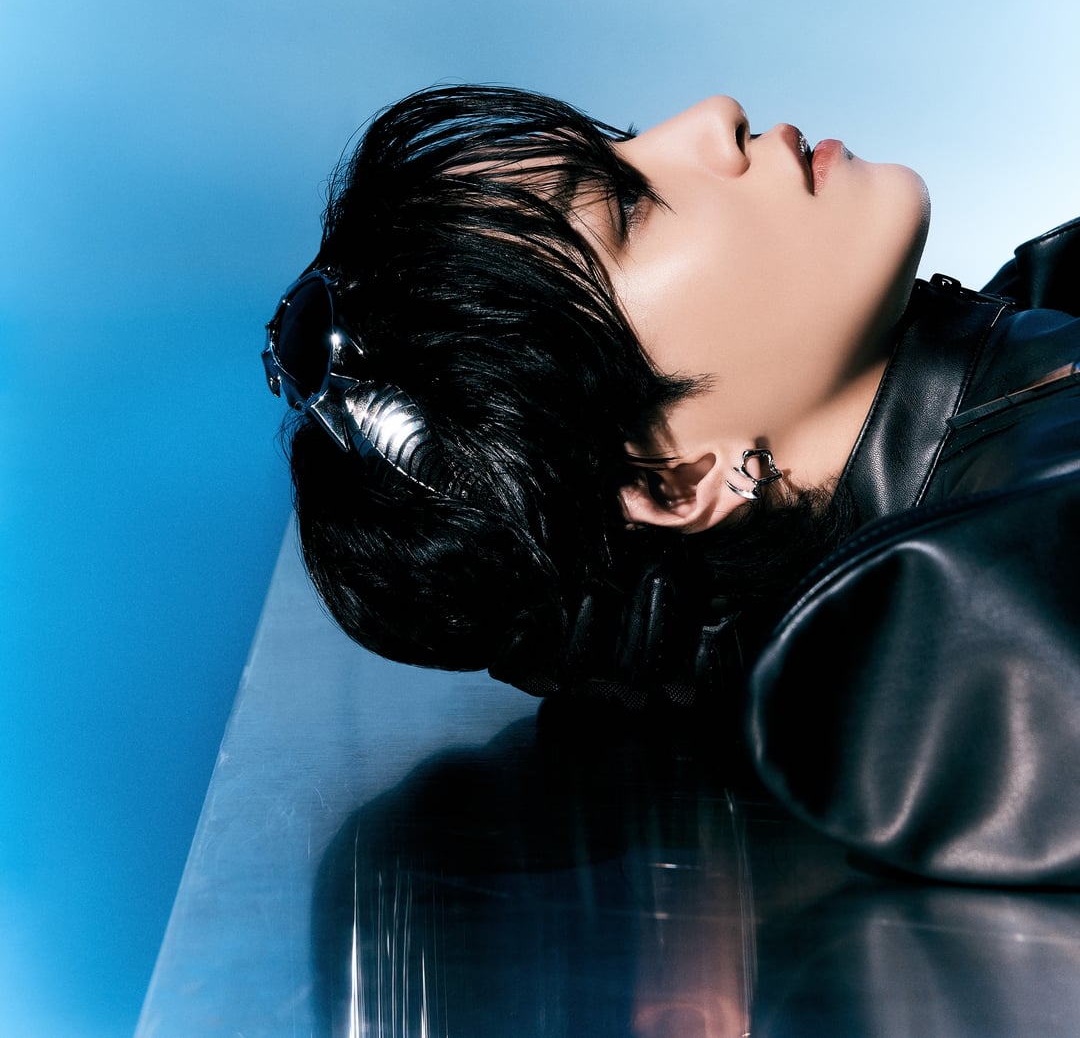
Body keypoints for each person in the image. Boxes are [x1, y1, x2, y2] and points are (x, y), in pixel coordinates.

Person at [263, 83, 1080, 882]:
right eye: (627, 206)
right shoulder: (995, 630)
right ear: (673, 480)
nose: (716, 115)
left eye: (623, 141)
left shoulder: (1043, 314)